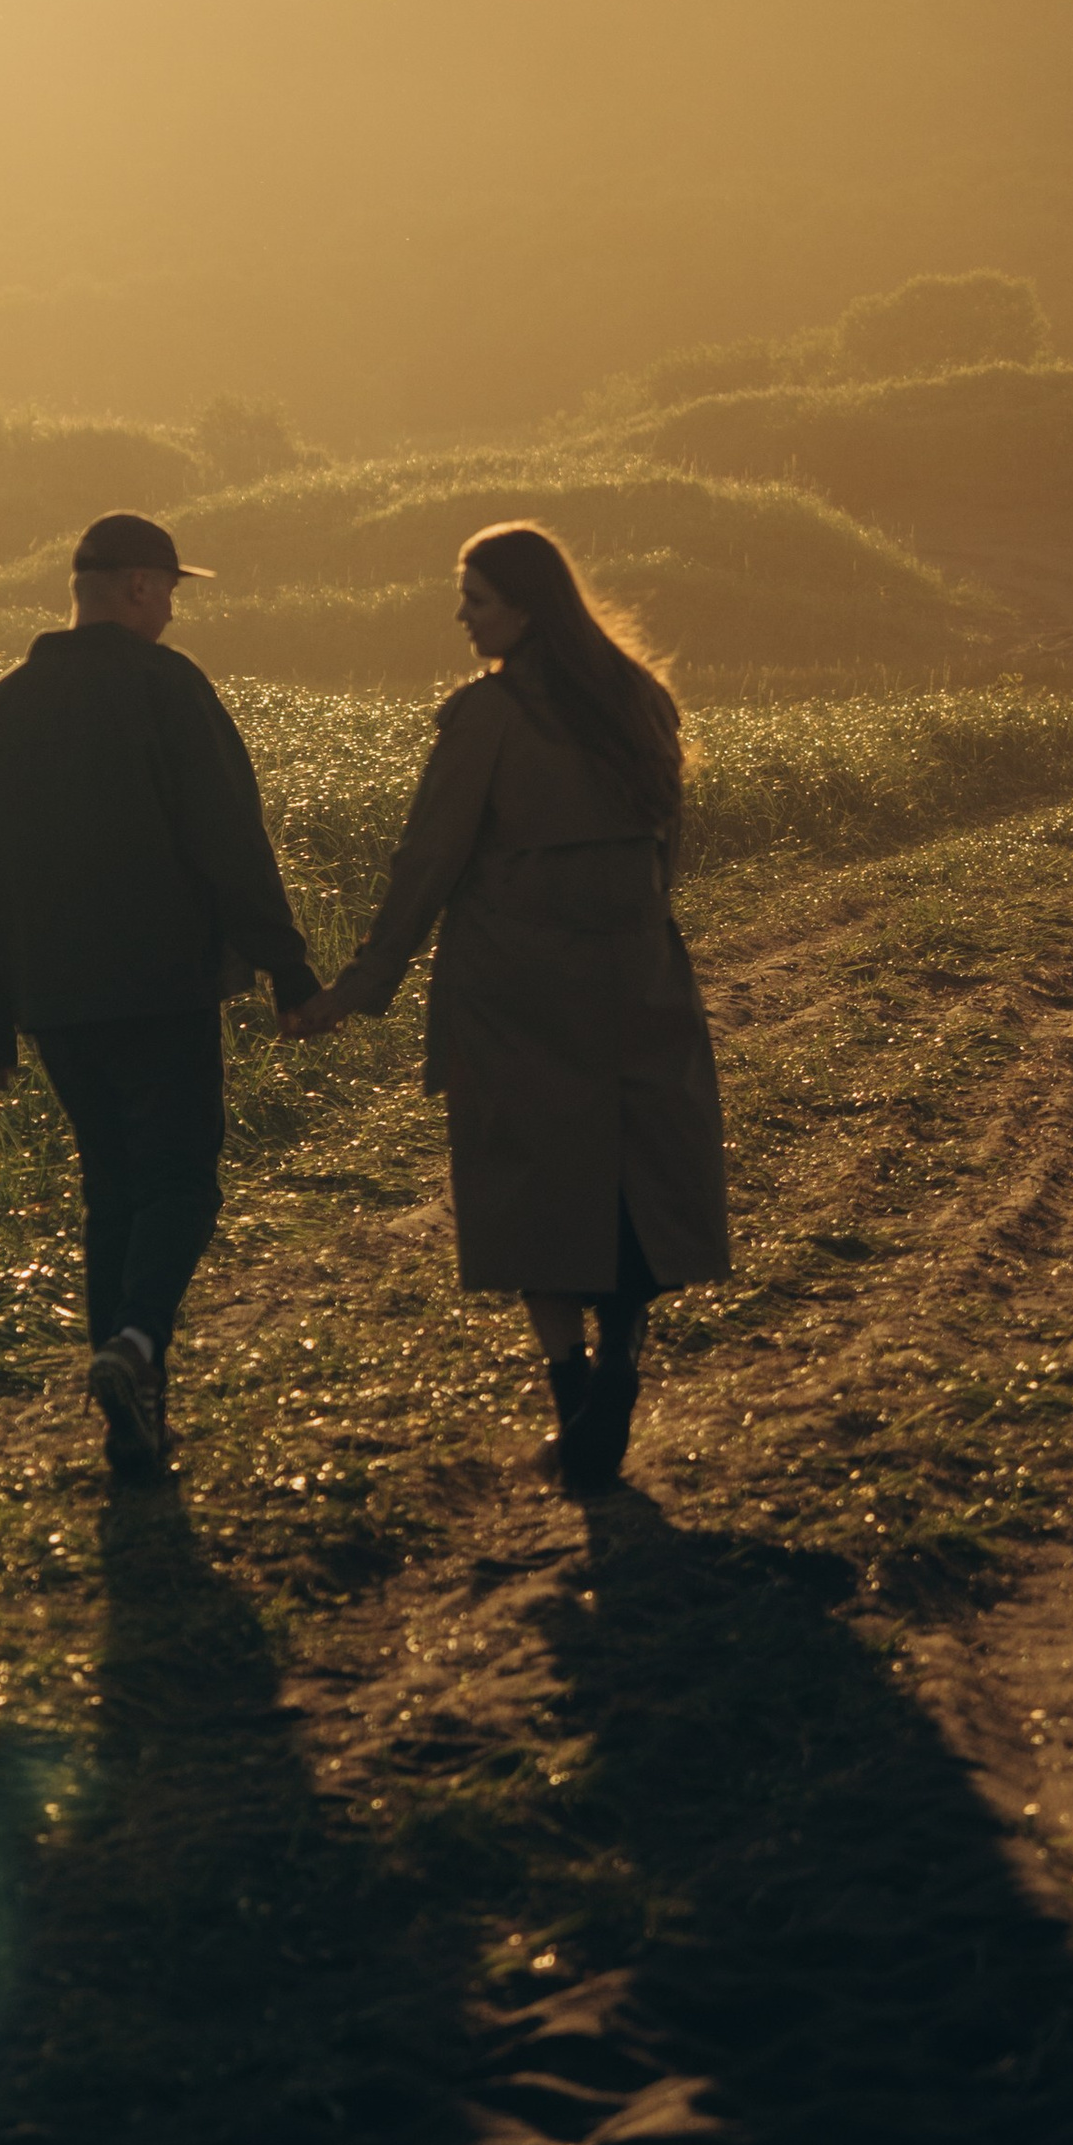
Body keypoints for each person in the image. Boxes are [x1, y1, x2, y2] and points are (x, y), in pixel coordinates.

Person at [285, 522, 728, 1489]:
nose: (460, 615)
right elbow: (668, 849)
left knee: (533, 1187)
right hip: (637, 975)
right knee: (631, 1178)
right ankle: (618, 1373)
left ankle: (576, 1400)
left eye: (475, 598)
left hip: (518, 990)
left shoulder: (487, 716)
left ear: (526, 609)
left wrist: (357, 988)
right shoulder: (641, 699)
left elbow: (428, 863)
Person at [0, 509, 321, 1482]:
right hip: (160, 986)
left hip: (53, 1003)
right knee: (180, 1183)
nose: (169, 609)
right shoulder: (167, 687)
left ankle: (133, 1424)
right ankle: (136, 1346)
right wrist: (286, 968)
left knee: (110, 1191)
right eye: (166, 590)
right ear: (134, 588)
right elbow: (228, 838)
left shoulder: (2, 708)